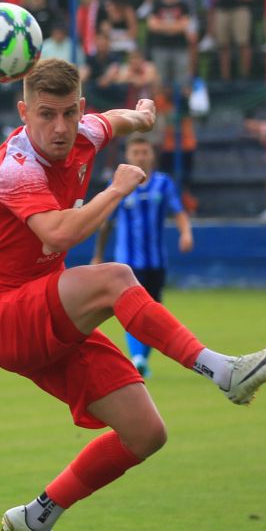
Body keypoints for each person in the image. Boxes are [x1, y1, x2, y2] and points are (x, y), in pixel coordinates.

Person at [0, 59, 266, 531]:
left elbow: (118, 120)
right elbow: (59, 235)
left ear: (80, 108)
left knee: (145, 432)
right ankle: (223, 371)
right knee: (115, 278)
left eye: (69, 113)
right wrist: (115, 189)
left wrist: (144, 114)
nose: (60, 127)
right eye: (45, 115)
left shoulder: (86, 131)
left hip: (46, 312)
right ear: (24, 112)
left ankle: (37, 517)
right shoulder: (16, 166)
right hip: (1, 315)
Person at [91, 137, 194, 378]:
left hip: (156, 262)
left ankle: (141, 360)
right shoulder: (118, 186)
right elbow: (107, 223)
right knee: (134, 310)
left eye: (144, 152)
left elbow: (178, 211)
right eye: (136, 152)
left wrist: (186, 233)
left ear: (152, 155)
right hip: (128, 263)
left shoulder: (163, 184)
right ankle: (137, 358)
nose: (140, 156)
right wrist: (98, 255)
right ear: (128, 156)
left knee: (153, 311)